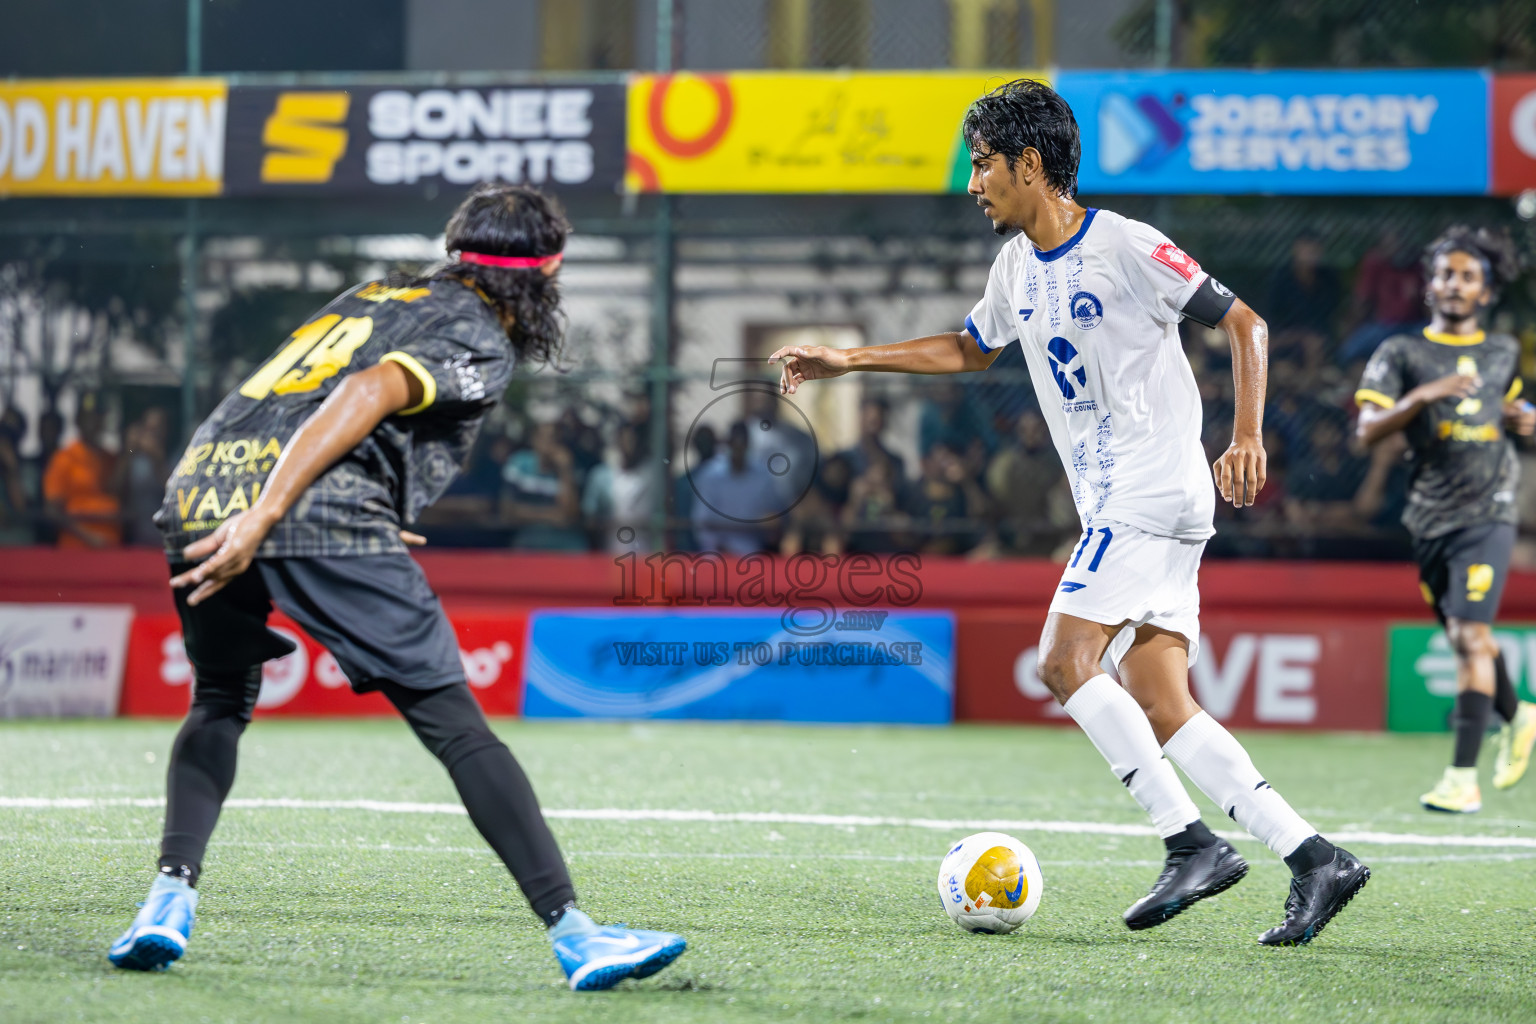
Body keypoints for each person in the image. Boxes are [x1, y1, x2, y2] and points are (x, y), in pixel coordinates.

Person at [770, 78, 1368, 946]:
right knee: (1162, 701)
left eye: (983, 166)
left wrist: (1247, 436)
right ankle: (1313, 858)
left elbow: (1246, 323)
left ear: (1030, 164)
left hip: (1149, 489)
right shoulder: (1016, 265)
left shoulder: (1128, 245)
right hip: (1135, 503)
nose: (973, 184)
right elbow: (971, 349)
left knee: (1063, 661)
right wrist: (849, 359)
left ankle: (1190, 843)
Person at [108, 183, 685, 990]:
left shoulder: (377, 293)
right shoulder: (479, 333)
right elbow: (367, 390)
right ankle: (577, 933)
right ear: (545, 274)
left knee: (219, 699)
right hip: (297, 510)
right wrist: (284, 509)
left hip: (202, 491)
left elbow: (290, 397)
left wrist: (355, 497)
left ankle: (165, 900)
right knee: (458, 726)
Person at [1355, 225, 1536, 813]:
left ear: (1485, 292)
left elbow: (1510, 405)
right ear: (1430, 286)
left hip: (1491, 509)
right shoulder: (1401, 354)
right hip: (1429, 515)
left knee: (1467, 635)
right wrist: (1424, 395)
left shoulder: (1502, 349)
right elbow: (1365, 433)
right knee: (1466, 634)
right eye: (1446, 274)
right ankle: (1520, 713)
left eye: (1468, 276)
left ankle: (1462, 778)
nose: (1455, 284)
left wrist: (1524, 417)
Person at [43, 397, 123, 549]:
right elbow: (52, 510)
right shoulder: (64, 457)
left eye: (98, 417)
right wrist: (87, 536)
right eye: (89, 417)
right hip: (77, 548)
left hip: (111, 545)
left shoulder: (110, 458)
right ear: (78, 421)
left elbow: (121, 493)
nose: (94, 422)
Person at [121, 407, 171, 546]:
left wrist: (158, 461)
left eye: (156, 429)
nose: (152, 434)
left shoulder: (177, 456)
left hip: (165, 539)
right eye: (148, 429)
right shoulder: (134, 458)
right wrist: (129, 449)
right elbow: (115, 490)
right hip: (136, 538)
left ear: (165, 430)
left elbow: (174, 492)